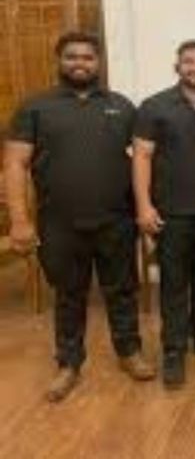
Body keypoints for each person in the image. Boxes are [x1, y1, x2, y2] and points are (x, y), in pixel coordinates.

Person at [4, 31, 155, 403]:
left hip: (116, 219)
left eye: (87, 57)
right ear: (59, 61)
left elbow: (143, 160)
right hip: (59, 223)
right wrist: (20, 221)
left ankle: (129, 352)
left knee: (122, 291)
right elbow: (15, 164)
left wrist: (145, 209)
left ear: (98, 62)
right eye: (72, 56)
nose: (80, 63)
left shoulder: (122, 106)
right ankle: (68, 364)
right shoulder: (35, 107)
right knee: (69, 295)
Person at [133, 40, 195, 389]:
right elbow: (142, 157)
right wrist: (143, 206)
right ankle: (174, 350)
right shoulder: (154, 106)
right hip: (171, 212)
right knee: (174, 283)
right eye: (189, 61)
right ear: (177, 67)